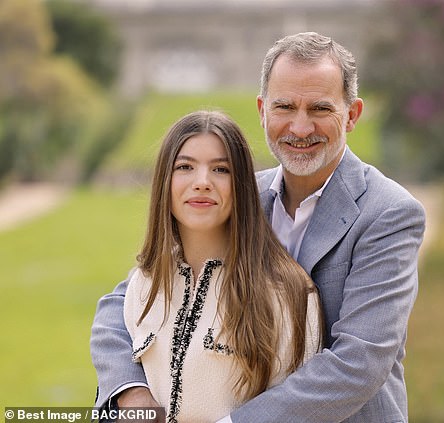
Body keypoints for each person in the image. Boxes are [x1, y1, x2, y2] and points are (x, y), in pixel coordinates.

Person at [91, 32, 426, 422]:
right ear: (262, 110)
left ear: (351, 115)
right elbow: (126, 299)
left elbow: (357, 364)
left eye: (319, 109)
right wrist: (130, 394)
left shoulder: (389, 214)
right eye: (284, 107)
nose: (300, 128)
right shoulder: (242, 193)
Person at [104, 110, 322, 422]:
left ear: (242, 186)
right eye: (185, 167)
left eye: (221, 169)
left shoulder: (288, 293)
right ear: (165, 181)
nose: (202, 182)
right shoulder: (144, 283)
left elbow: (299, 412)